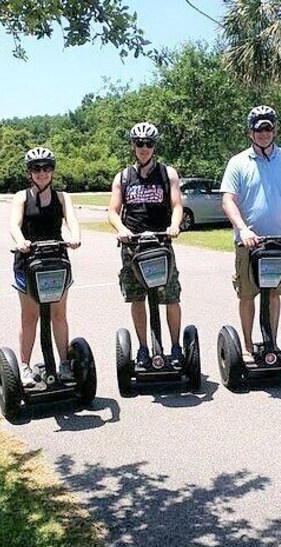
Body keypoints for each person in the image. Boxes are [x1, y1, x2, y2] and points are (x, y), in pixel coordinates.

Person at [220, 105, 281, 359]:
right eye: (259, 129)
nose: (264, 133)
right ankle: (247, 347)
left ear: (275, 130)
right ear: (251, 133)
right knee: (247, 295)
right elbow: (228, 200)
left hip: (279, 243)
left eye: (268, 128)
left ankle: (271, 344)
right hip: (248, 243)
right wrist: (243, 229)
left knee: (274, 294)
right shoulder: (238, 162)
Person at [107, 122, 184, 367]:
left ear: (154, 146)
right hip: (133, 247)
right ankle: (142, 347)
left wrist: (174, 226)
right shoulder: (123, 177)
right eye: (139, 143)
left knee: (170, 296)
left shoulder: (167, 173)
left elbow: (177, 206)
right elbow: (112, 210)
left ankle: (175, 346)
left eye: (148, 144)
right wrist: (121, 229)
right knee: (137, 298)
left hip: (161, 243)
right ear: (133, 145)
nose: (144, 148)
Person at [10, 146, 81, 390]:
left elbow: (71, 219)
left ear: (52, 170)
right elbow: (14, 224)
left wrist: (75, 236)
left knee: (58, 315)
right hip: (28, 262)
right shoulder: (21, 197)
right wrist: (20, 241)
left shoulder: (62, 197)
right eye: (36, 169)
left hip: (56, 262)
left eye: (47, 168)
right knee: (29, 317)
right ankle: (24, 366)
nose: (42, 173)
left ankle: (63, 363)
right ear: (29, 172)